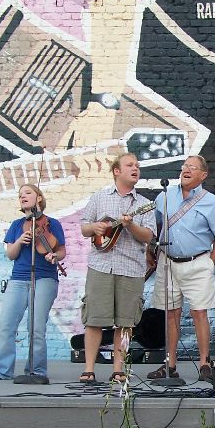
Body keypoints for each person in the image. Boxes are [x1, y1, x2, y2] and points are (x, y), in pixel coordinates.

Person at [146, 155, 215, 383]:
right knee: (171, 314)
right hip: (168, 262)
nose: (186, 170)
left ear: (203, 175)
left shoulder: (211, 201)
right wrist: (151, 251)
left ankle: (204, 363)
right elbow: (155, 227)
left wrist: (210, 263)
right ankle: (170, 365)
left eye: (192, 167)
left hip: (198, 262)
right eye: (185, 167)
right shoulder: (164, 196)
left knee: (199, 313)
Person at [79, 153, 156, 383]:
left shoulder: (144, 204)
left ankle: (118, 370)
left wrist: (130, 225)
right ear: (116, 171)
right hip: (101, 265)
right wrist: (96, 227)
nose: (135, 168)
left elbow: (148, 237)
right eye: (130, 165)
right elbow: (84, 228)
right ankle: (89, 369)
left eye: (137, 166)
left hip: (131, 268)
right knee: (93, 318)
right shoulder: (100, 197)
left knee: (125, 321)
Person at [0, 184, 66, 381]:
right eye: (20, 195)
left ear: (39, 198)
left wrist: (55, 256)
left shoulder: (52, 223)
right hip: (19, 279)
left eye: (28, 193)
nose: (23, 196)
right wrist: (20, 240)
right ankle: (4, 370)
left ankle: (36, 370)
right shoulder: (16, 225)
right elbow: (10, 255)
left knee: (36, 326)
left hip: (45, 278)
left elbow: (62, 251)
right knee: (6, 325)